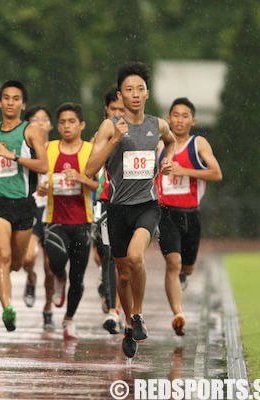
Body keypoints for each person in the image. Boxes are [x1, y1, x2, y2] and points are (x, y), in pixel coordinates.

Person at [84, 62, 176, 358]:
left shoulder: (157, 124)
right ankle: (128, 325)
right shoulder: (110, 126)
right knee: (122, 275)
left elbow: (170, 141)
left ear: (147, 92)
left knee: (136, 257)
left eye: (139, 89)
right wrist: (114, 140)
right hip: (117, 209)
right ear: (120, 96)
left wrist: (167, 160)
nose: (135, 95)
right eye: (128, 90)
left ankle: (136, 315)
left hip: (147, 206)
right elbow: (89, 169)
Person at [0, 80, 48, 332]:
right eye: (6, 97)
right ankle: (7, 309)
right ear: (0, 102)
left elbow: (43, 166)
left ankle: (26, 276)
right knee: (2, 255)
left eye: (16, 98)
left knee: (17, 262)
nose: (10, 102)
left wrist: (14, 156)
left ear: (22, 104)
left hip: (24, 204)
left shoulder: (31, 131)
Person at [155, 97, 222, 336]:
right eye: (175, 115)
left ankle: (184, 275)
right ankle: (178, 313)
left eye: (185, 116)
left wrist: (183, 171)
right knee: (172, 263)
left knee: (188, 267)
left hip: (191, 214)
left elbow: (216, 173)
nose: (179, 120)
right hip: (165, 213)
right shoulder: (159, 145)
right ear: (169, 118)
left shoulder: (198, 144)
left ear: (193, 120)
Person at [37, 103, 98, 340]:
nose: (66, 126)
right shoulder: (49, 148)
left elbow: (98, 185)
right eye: (62, 122)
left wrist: (81, 179)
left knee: (79, 277)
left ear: (81, 125)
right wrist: (42, 188)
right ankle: (59, 277)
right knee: (56, 260)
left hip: (83, 221)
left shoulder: (90, 151)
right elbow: (40, 178)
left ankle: (69, 318)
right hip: (54, 219)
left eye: (71, 121)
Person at [91, 86, 126, 334]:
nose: (117, 115)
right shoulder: (100, 136)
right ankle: (113, 310)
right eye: (113, 109)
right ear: (106, 110)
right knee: (107, 254)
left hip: (132, 203)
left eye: (121, 110)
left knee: (127, 259)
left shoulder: (139, 134)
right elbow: (90, 171)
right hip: (103, 202)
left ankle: (119, 304)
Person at [21, 105, 55, 331]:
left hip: (54, 210)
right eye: (35, 120)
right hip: (32, 208)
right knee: (27, 258)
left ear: (51, 125)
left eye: (44, 119)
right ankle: (31, 279)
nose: (41, 123)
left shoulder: (60, 148)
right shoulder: (26, 150)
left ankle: (49, 308)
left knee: (51, 267)